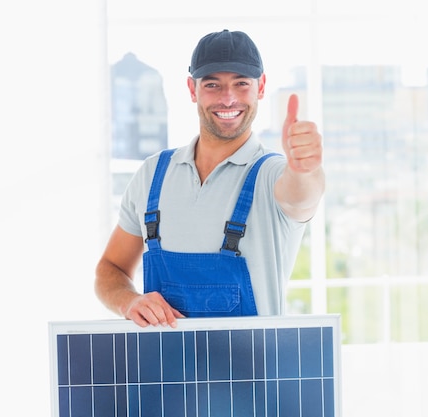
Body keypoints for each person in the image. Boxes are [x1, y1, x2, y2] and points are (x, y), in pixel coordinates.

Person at [94, 29, 324, 328]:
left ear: (261, 86)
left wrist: (305, 169)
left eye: (241, 84)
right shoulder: (152, 175)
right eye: (213, 84)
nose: (228, 98)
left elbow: (302, 196)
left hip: (253, 370)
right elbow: (110, 269)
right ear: (192, 89)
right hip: (166, 371)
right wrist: (130, 301)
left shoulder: (271, 174)